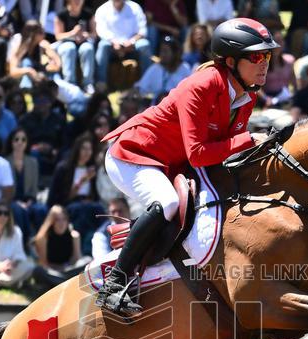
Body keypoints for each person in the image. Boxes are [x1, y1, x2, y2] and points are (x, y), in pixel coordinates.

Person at [95, 18, 277, 317]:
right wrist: (248, 140)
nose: (264, 64)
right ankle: (114, 283)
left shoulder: (247, 96)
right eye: (256, 56)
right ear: (230, 61)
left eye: (267, 56)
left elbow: (225, 152)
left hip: (170, 162)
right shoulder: (202, 85)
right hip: (133, 154)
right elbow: (199, 154)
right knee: (166, 202)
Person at [95, 0, 152, 85]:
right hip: (112, 46)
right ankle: (101, 82)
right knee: (103, 45)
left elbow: (142, 30)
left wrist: (132, 41)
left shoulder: (135, 7)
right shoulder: (102, 10)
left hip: (132, 46)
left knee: (144, 44)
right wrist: (114, 42)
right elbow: (101, 31)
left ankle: (147, 83)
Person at [32, 205, 90, 288]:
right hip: (51, 271)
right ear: (51, 222)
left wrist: (76, 240)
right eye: (57, 220)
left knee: (88, 260)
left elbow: (77, 260)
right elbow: (43, 264)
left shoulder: (74, 236)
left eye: (64, 219)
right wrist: (58, 269)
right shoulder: (43, 238)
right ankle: (66, 283)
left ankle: (61, 283)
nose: (61, 223)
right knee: (38, 271)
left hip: (68, 270)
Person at [5, 127, 47, 241]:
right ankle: (24, 243)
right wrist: (17, 202)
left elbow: (34, 188)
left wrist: (29, 201)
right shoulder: (4, 162)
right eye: (16, 139)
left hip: (29, 200)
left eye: (23, 140)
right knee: (18, 210)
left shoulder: (32, 162)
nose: (20, 142)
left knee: (41, 209)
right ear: (11, 141)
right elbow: (3, 190)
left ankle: (40, 241)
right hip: (11, 201)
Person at [54, 0, 97, 91]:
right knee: (69, 48)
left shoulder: (88, 14)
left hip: (83, 43)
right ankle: (70, 84)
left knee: (87, 48)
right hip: (66, 43)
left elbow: (94, 34)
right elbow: (58, 36)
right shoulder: (61, 15)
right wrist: (73, 33)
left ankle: (88, 83)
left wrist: (85, 35)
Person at [136, 35, 192, 102]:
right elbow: (141, 89)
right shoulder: (155, 68)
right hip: (156, 109)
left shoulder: (185, 68)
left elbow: (189, 92)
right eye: (161, 51)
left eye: (166, 51)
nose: (162, 54)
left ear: (175, 53)